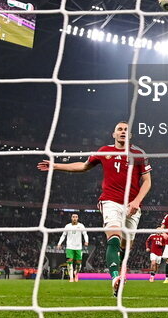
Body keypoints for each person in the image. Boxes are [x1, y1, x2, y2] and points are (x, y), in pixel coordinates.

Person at [38, 121, 152, 296]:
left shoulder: (138, 154)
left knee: (125, 246)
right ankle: (115, 278)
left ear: (130, 136)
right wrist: (55, 166)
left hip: (132, 205)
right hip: (110, 201)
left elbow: (147, 181)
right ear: (113, 134)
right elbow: (83, 166)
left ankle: (120, 271)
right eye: (119, 129)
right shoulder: (104, 151)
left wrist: (137, 201)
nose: (122, 132)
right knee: (114, 237)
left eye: (126, 130)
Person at [58, 213, 89, 282]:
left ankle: (76, 273)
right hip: (69, 246)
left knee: (79, 262)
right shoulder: (67, 226)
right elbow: (63, 235)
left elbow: (85, 234)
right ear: (71, 218)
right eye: (73, 217)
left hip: (78, 247)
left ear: (78, 218)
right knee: (70, 260)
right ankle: (71, 277)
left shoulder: (81, 226)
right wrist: (59, 243)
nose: (74, 218)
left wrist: (86, 241)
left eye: (76, 217)